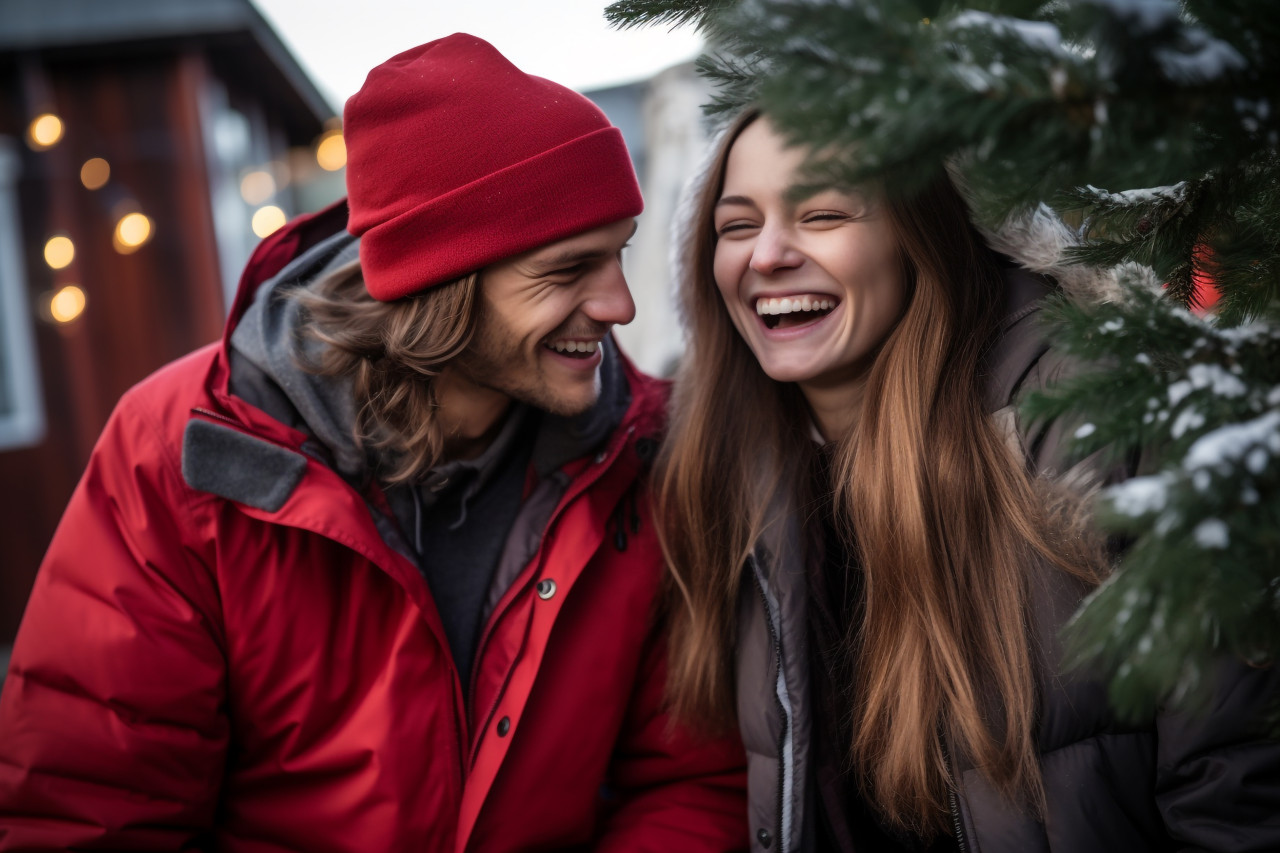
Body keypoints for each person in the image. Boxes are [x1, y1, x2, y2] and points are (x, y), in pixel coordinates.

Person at [0, 34, 747, 851]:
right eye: (568, 269)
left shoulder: (647, 454)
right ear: (445, 283)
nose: (620, 306)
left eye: (618, 256)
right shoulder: (182, 450)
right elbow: (90, 807)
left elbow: (689, 778)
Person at [654, 108, 1280, 853]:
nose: (767, 255)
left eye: (822, 213)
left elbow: (1236, 790)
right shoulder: (734, 475)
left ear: (923, 234)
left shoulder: (1101, 427)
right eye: (735, 226)